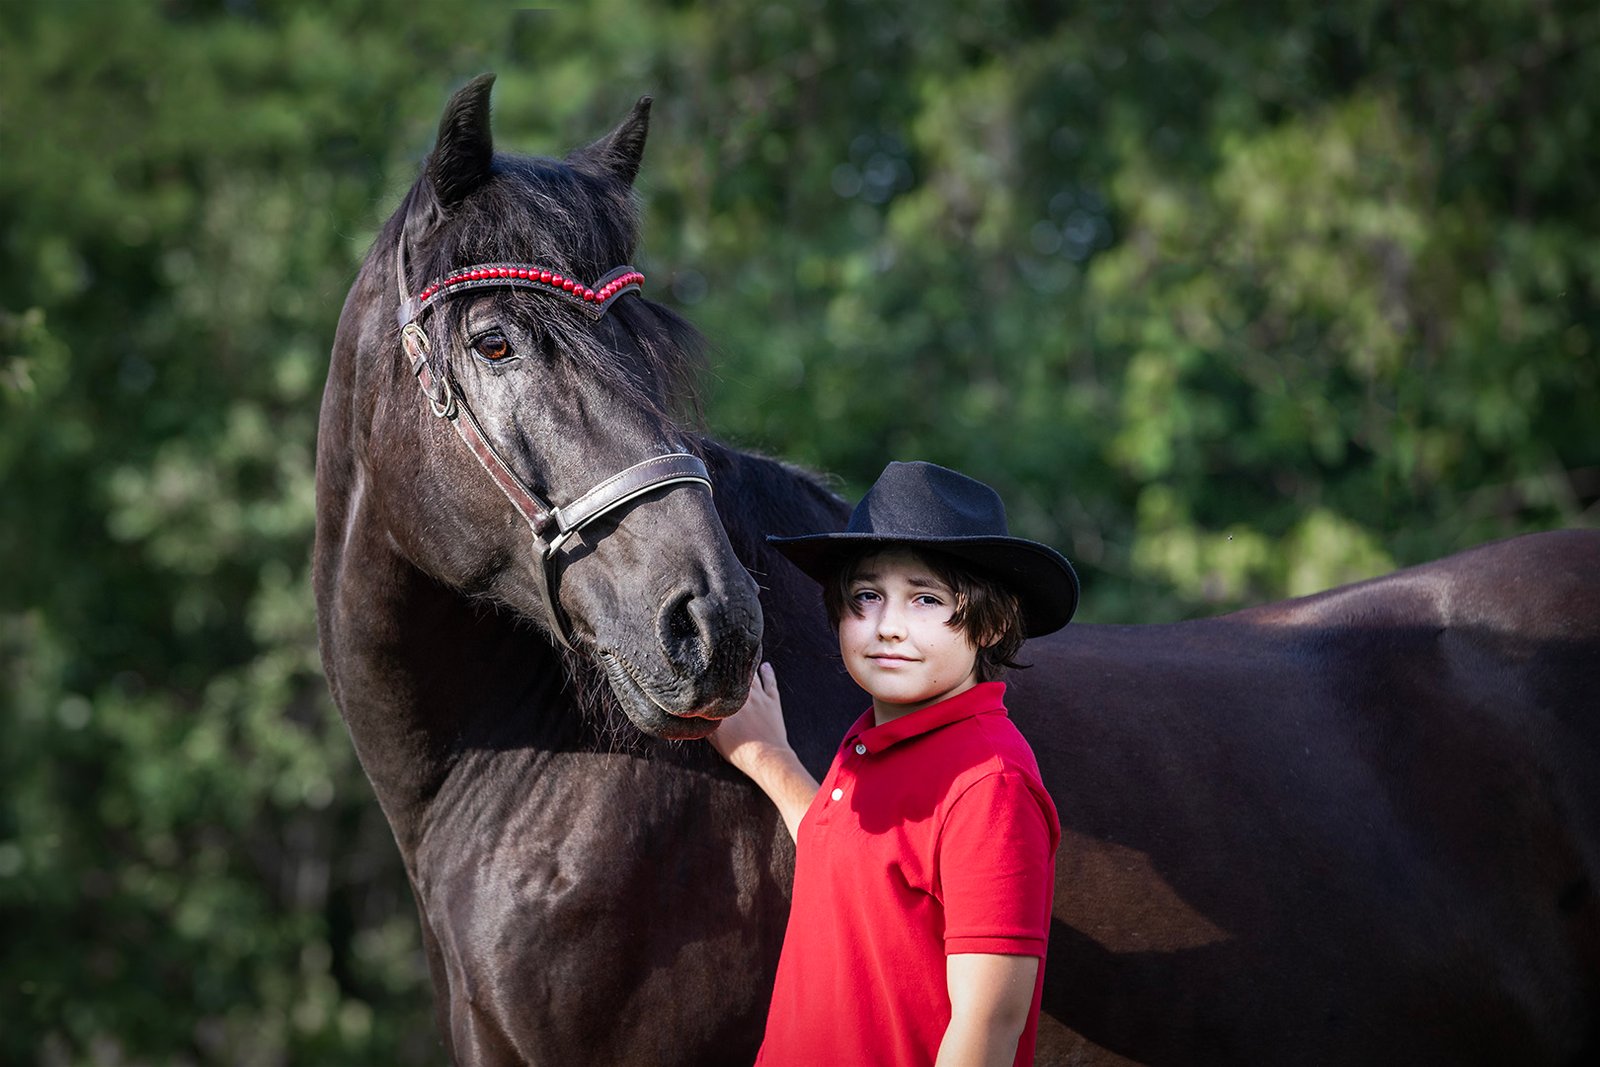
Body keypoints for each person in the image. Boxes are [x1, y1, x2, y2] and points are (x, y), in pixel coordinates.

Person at [710, 460, 1079, 1067]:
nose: (887, 627)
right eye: (867, 597)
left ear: (993, 623)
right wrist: (769, 757)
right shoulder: (873, 745)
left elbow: (988, 1026)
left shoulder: (989, 785)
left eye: (926, 598)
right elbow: (854, 865)